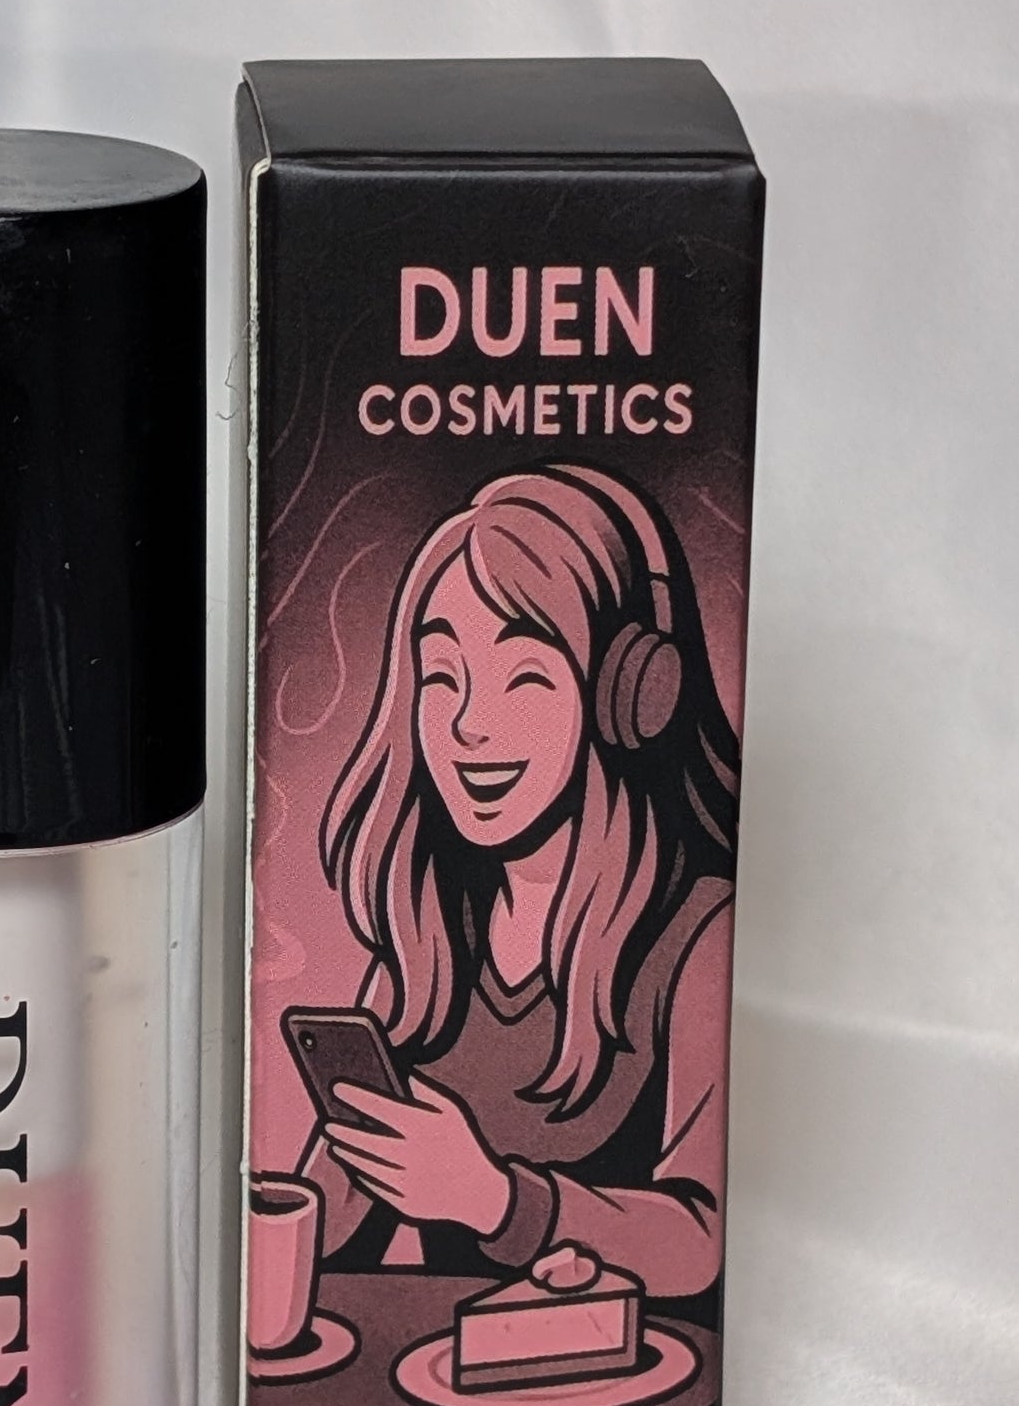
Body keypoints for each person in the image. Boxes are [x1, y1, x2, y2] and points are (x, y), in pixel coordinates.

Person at [298, 461, 738, 1312]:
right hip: (434, 1367)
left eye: (526, 677)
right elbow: (328, 1223)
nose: (471, 725)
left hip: (631, 1372)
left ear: (630, 696)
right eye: (443, 678)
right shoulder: (425, 946)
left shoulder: (693, 934)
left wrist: (498, 1201)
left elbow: (696, 1243)